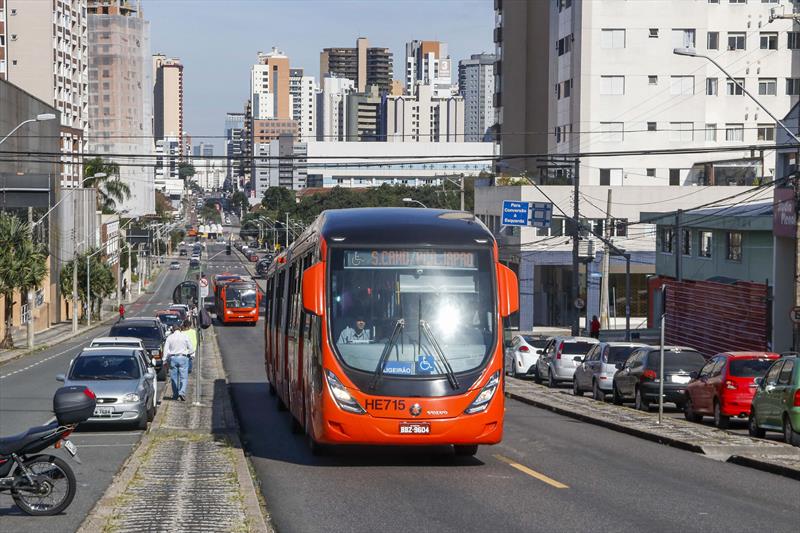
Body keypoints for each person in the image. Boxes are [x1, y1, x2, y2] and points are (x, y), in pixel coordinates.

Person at [164, 320, 193, 401]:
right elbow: (191, 348)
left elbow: (166, 350)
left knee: (174, 377)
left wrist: (164, 360)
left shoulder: (170, 337)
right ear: (180, 329)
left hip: (173, 358)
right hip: (183, 357)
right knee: (184, 377)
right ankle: (182, 392)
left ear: (173, 330)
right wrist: (189, 354)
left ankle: (175, 394)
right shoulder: (185, 336)